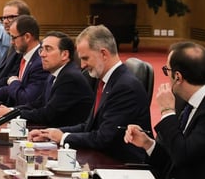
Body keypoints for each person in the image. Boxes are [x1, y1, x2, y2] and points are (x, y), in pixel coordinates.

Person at [28, 25, 148, 163]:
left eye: (85, 58)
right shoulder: (105, 80)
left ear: (103, 54)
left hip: (121, 165)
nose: (82, 65)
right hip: (103, 158)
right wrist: (51, 133)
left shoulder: (125, 87)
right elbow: (88, 126)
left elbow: (104, 138)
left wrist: (63, 137)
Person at [124, 41, 205, 179]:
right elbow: (173, 158)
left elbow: (182, 156)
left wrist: (167, 111)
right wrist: (148, 144)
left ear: (177, 76)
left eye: (167, 70)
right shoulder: (185, 102)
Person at [0, 31, 94, 127]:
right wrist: (11, 110)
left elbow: (47, 114)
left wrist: (11, 114)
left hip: (64, 136)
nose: (42, 55)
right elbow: (38, 103)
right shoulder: (53, 74)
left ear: (64, 55)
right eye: (41, 49)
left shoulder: (70, 77)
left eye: (48, 49)